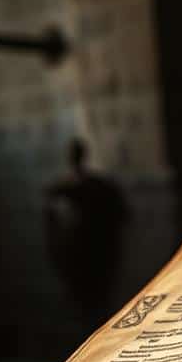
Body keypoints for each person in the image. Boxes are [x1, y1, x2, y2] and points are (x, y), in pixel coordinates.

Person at [45, 138, 130, 330]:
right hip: (85, 256)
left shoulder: (70, 189)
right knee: (90, 308)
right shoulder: (92, 187)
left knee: (92, 308)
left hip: (90, 256)